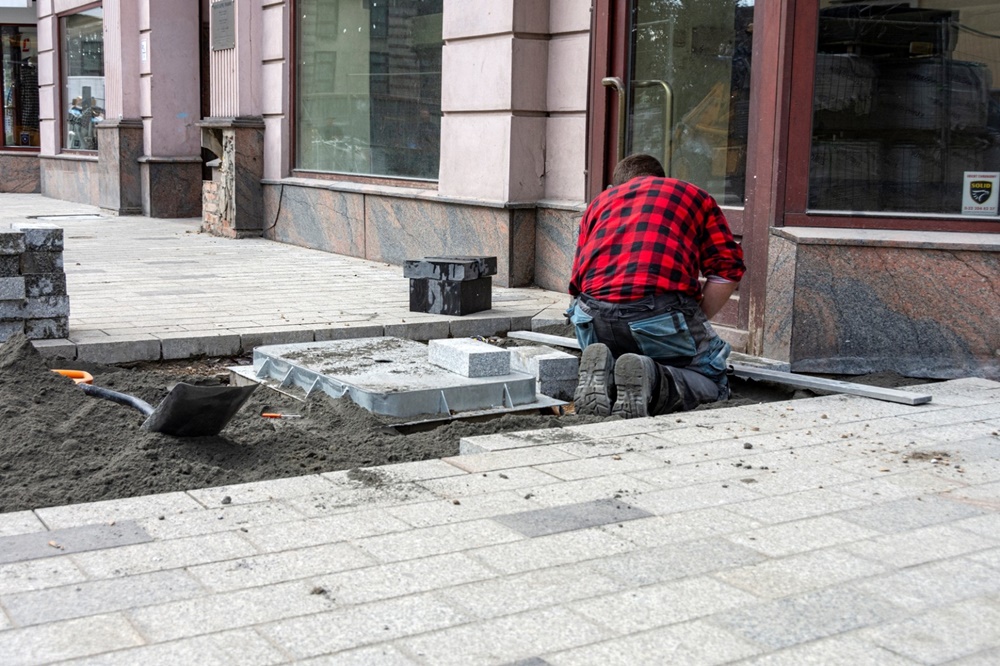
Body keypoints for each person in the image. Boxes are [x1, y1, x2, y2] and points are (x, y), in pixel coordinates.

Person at [568, 153, 746, 419]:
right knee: (713, 380)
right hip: (658, 311)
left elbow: (577, 281)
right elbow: (727, 269)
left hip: (591, 314)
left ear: (616, 187)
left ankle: (609, 372)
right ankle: (654, 378)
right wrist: (693, 320)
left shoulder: (599, 203)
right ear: (660, 178)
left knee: (622, 359)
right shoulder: (692, 195)